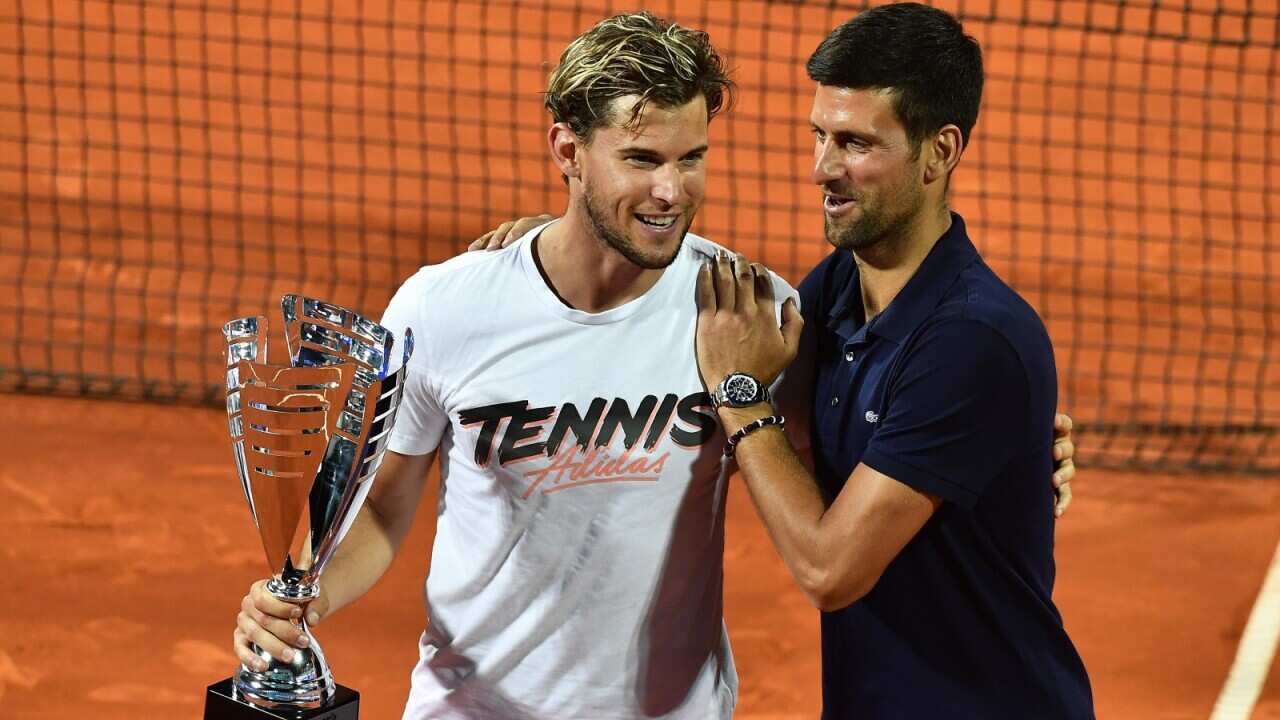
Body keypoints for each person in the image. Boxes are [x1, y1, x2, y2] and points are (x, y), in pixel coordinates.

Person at [235, 11, 783, 719]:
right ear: (568, 148)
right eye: (642, 159)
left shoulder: (744, 313)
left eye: (693, 158)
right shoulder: (447, 307)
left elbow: (822, 513)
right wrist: (309, 594)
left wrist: (748, 395)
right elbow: (382, 506)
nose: (672, 192)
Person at [692, 4, 1094, 718]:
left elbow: (828, 568)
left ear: (939, 152)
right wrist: (560, 244)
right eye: (819, 135)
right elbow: (764, 410)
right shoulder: (841, 285)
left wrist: (741, 393)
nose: (822, 169)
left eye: (855, 143)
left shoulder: (973, 340)